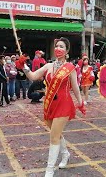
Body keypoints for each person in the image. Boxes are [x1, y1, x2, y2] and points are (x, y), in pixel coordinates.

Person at [19, 37, 85, 177]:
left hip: (64, 104)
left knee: (53, 136)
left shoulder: (70, 68)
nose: (58, 49)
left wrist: (80, 102)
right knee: (56, 133)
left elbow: (75, 87)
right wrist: (23, 66)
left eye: (61, 46)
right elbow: (33, 76)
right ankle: (65, 154)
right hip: (50, 104)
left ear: (66, 51)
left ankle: (49, 170)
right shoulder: (48, 66)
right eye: (57, 46)